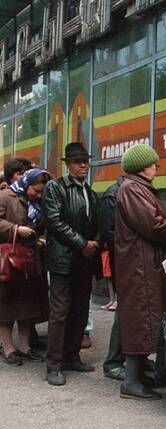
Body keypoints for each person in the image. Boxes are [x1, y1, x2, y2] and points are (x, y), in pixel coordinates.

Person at [116, 144, 166, 400]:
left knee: (144, 318)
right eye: (153, 164)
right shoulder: (133, 189)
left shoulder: (135, 188)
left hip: (142, 262)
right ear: (142, 166)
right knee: (141, 319)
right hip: (140, 264)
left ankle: (136, 376)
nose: (156, 168)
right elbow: (152, 225)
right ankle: (130, 382)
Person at [43, 142, 100, 386]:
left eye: (86, 161)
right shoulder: (55, 187)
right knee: (59, 313)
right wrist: (83, 243)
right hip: (62, 260)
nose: (84, 165)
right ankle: (54, 364)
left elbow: (95, 222)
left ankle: (71, 356)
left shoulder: (89, 191)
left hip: (83, 261)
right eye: (78, 161)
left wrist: (95, 242)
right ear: (68, 164)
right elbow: (54, 222)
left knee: (79, 311)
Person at [0, 168, 50, 365]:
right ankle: (9, 349)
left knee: (27, 305)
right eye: (35, 191)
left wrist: (43, 240)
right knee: (6, 306)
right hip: (8, 260)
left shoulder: (40, 202)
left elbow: (47, 226)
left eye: (41, 192)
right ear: (27, 183)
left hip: (30, 260)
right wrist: (15, 229)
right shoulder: (5, 196)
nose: (38, 195)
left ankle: (25, 346)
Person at [99, 175, 126, 380]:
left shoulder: (126, 191)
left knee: (129, 311)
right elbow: (109, 231)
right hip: (126, 260)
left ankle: (127, 359)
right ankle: (114, 361)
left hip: (129, 259)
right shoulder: (114, 194)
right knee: (125, 311)